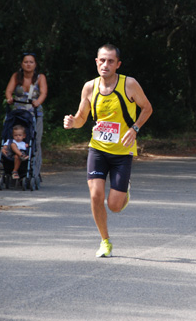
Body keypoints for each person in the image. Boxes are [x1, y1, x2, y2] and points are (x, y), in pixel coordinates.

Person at [63, 44, 153, 258]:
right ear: (96, 62)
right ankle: (105, 241)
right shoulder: (89, 87)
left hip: (122, 152)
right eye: (102, 60)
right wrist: (72, 122)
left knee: (114, 206)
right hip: (98, 149)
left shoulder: (129, 84)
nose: (105, 64)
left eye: (110, 61)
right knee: (96, 195)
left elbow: (147, 108)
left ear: (118, 64)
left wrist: (135, 129)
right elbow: (82, 118)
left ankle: (124, 192)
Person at [5, 53, 47, 183]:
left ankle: (35, 171)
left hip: (34, 113)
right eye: (26, 62)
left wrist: (38, 101)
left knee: (35, 141)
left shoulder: (40, 78)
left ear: (35, 65)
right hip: (18, 113)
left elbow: (44, 92)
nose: (28, 64)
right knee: (11, 139)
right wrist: (9, 98)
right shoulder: (16, 77)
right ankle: (8, 168)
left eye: (31, 62)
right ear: (22, 64)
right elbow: (8, 91)